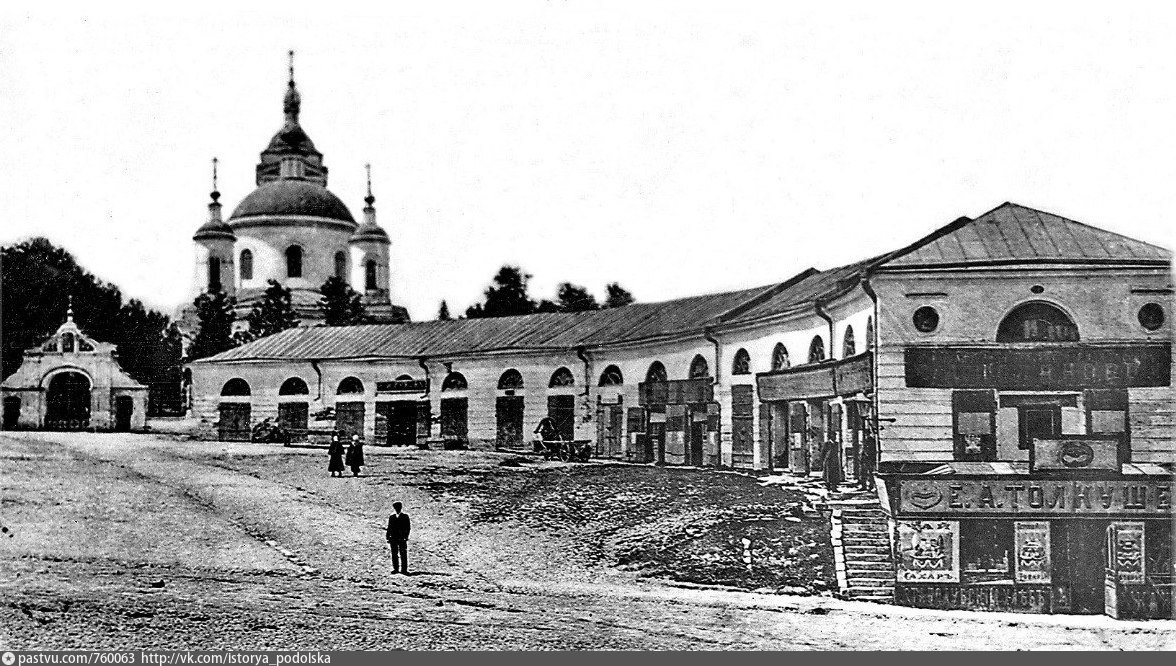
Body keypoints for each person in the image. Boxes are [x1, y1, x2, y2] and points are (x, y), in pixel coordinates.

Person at [386, 501, 411, 574]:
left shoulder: (405, 516)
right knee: (394, 554)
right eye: (396, 508)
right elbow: (389, 527)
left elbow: (408, 528)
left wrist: (406, 537)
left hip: (402, 538)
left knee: (403, 554)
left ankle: (404, 570)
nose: (397, 509)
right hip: (393, 538)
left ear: (401, 508)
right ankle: (396, 569)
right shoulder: (392, 517)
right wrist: (388, 537)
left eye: (398, 508)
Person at [858, 424, 878, 491]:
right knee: (865, 473)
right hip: (866, 459)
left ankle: (870, 486)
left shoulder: (870, 440)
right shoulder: (867, 440)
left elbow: (869, 450)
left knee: (869, 473)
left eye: (867, 433)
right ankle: (866, 486)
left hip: (868, 459)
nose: (866, 435)